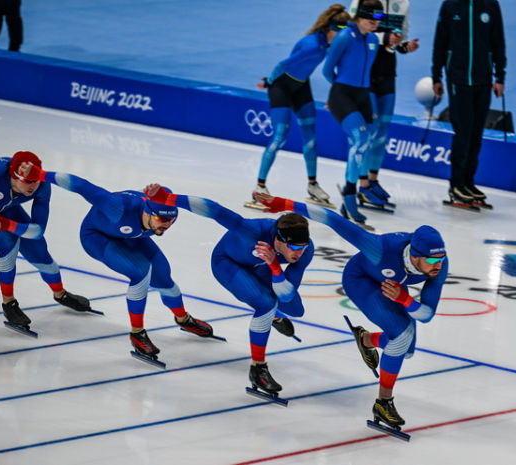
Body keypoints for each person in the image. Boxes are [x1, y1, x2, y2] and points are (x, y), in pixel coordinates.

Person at [254, 191, 448, 429]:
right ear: (415, 256)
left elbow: (427, 315)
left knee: (406, 350)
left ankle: (366, 339)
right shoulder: (380, 248)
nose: (437, 265)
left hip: (396, 290)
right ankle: (383, 403)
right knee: (402, 335)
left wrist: (406, 300)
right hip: (360, 279)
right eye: (431, 261)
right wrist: (284, 204)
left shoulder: (439, 264)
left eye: (440, 259)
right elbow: (333, 220)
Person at [19, 165, 216, 361]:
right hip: (97, 236)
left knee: (163, 276)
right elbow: (81, 185)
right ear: (148, 211)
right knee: (141, 271)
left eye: (170, 221)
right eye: (161, 220)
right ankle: (137, 334)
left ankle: (183, 319)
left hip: (130, 235)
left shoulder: (161, 211)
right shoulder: (117, 207)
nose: (165, 225)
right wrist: (41, 175)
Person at [145, 184, 313, 397]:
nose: (299, 252)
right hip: (228, 263)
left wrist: (274, 266)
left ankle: (276, 317)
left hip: (264, 265)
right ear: (279, 240)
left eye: (303, 246)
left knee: (295, 310)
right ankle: (258, 368)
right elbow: (214, 210)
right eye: (294, 247)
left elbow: (287, 295)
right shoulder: (252, 231)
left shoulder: (305, 250)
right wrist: (169, 198)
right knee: (266, 304)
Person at [0, 149, 90, 333]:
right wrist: (6, 226)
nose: (33, 186)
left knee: (39, 250)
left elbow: (37, 231)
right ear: (13, 176)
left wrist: (7, 223)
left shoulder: (42, 186)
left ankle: (61, 294)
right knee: (7, 240)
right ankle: (9, 303)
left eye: (35, 180)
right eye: (27, 182)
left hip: (7, 213)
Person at [250, 4, 351, 209]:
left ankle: (312, 185)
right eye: (340, 33)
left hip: (302, 87)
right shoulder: (312, 45)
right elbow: (282, 65)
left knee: (311, 139)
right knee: (280, 137)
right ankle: (259, 186)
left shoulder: (328, 43)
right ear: (329, 29)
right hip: (281, 86)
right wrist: (269, 81)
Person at [431, 0, 506, 208]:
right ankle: (456, 185)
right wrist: (436, 75)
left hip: (483, 80)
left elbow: (498, 40)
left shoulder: (490, 5)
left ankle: (468, 183)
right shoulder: (450, 5)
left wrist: (500, 76)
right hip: (458, 79)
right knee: (463, 133)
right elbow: (441, 41)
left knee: (476, 135)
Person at [349, 0, 419, 207]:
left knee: (382, 131)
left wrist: (405, 46)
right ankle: (362, 186)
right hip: (366, 75)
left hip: (388, 75)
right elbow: (353, 32)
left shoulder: (403, 4)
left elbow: (398, 41)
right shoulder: (363, 1)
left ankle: (372, 180)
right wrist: (385, 38)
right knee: (369, 130)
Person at [322, 0, 384, 230]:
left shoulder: (373, 40)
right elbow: (328, 70)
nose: (376, 25)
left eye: (379, 21)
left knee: (364, 141)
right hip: (342, 94)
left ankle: (347, 203)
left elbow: (366, 71)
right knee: (360, 139)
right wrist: (337, 92)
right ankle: (350, 195)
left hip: (362, 95)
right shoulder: (344, 37)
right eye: (372, 20)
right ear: (360, 17)